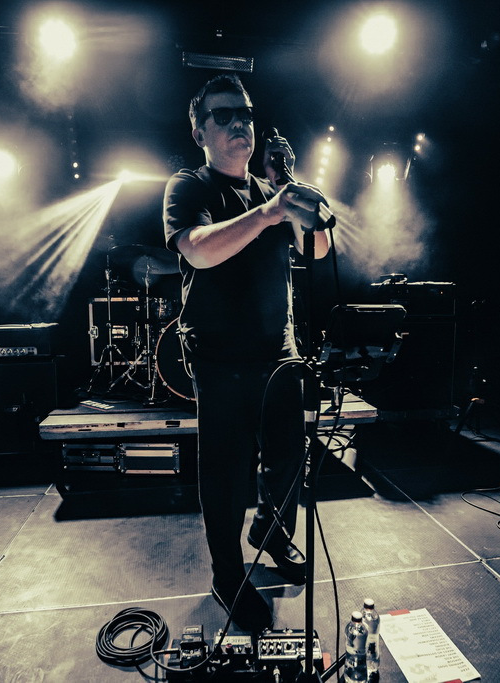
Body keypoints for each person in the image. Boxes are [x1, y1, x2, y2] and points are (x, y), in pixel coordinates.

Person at [162, 74, 331, 632]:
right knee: (227, 472)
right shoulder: (188, 187)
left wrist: (294, 195)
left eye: (247, 113)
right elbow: (198, 251)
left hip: (278, 349)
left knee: (289, 457)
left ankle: (271, 532)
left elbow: (319, 247)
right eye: (225, 114)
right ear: (199, 132)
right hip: (218, 355)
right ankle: (227, 573)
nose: (240, 122)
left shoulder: (272, 191)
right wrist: (268, 213)